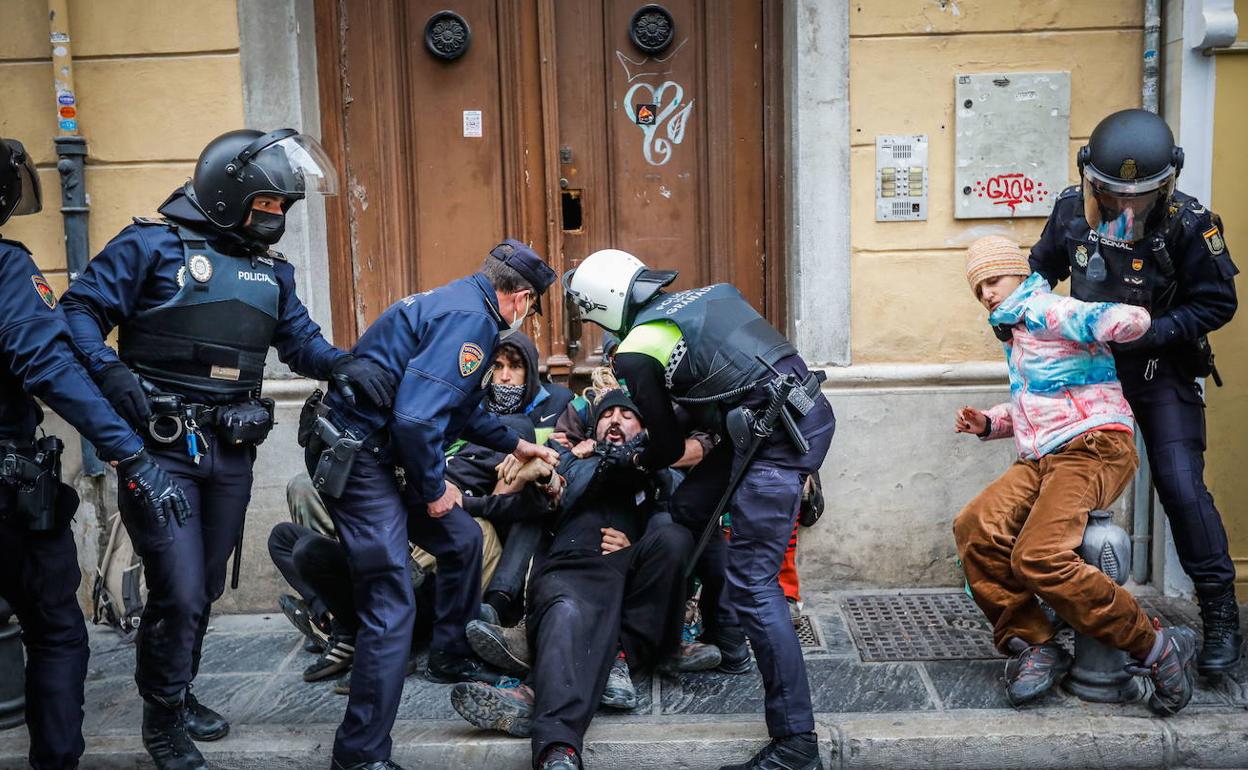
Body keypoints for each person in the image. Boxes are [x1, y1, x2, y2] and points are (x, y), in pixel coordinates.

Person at [60, 128, 394, 770]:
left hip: (231, 450)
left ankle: (178, 691)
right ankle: (162, 721)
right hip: (161, 449)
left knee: (205, 585)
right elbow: (77, 312)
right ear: (225, 193)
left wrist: (343, 365)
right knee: (179, 588)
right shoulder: (149, 246)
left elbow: (301, 343)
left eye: (282, 207)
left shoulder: (272, 271)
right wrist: (109, 372)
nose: (276, 217)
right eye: (266, 204)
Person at [564, 250, 836, 770]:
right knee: (688, 508)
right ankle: (714, 635)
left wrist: (634, 456)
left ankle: (796, 743)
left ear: (602, 304)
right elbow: (711, 390)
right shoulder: (706, 297)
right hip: (790, 421)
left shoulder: (637, 349)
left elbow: (667, 446)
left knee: (755, 587)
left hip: (774, 446)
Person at [305, 239, 560, 770]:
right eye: (532, 306)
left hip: (382, 452)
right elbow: (417, 420)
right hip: (361, 459)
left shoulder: (461, 302)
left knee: (462, 538)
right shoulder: (472, 322)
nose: (527, 315)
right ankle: (359, 755)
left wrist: (517, 445)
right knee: (390, 603)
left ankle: (449, 654)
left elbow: (458, 407)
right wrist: (433, 489)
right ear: (520, 298)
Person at [0, 137, 190, 770]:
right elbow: (49, 365)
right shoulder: (6, 267)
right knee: (54, 630)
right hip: (8, 494)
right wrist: (130, 453)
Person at [1029, 109, 1241, 676]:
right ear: (1089, 178)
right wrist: (1015, 312)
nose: (1126, 207)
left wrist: (1154, 331)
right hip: (1087, 370)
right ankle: (1060, 603)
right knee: (1060, 481)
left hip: (1159, 367)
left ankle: (1220, 613)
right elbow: (1040, 271)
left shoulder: (1191, 224)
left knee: (1180, 484)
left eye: (1140, 196)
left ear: (1167, 182)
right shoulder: (1070, 210)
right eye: (1112, 194)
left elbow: (1218, 303)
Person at [952, 235, 1197, 714]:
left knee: (1039, 556)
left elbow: (1119, 318)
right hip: (1044, 456)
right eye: (978, 287)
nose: (986, 293)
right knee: (976, 527)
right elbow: (1040, 404)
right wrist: (990, 423)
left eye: (994, 280)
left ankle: (1154, 646)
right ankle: (1034, 643)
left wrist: (1119, 319)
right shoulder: (1018, 329)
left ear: (1019, 274)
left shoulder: (1046, 309)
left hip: (1094, 447)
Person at [450, 391, 694, 770]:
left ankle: (543, 686)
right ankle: (558, 748)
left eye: (626, 415)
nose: (615, 420)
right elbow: (525, 504)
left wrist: (637, 541)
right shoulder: (568, 461)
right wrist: (464, 503)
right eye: (607, 414)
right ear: (593, 427)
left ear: (643, 427)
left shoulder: (653, 469)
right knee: (567, 613)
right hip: (571, 571)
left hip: (626, 571)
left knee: (674, 539)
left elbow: (675, 498)